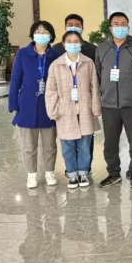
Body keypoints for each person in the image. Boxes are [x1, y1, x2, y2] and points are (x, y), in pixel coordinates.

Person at [95, 11, 132, 188]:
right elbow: (98, 74)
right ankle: (113, 172)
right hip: (109, 104)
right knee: (110, 141)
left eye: (123, 24)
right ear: (110, 28)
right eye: (116, 24)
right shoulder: (102, 48)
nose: (120, 27)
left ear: (128, 26)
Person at [45, 30, 101, 189]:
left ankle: (83, 172)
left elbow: (94, 86)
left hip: (85, 109)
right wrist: (54, 110)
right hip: (65, 111)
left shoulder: (88, 63)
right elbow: (51, 90)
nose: (73, 44)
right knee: (67, 145)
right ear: (63, 44)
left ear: (81, 44)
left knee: (84, 145)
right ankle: (72, 174)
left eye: (76, 41)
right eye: (69, 41)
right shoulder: (56, 65)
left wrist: (95, 108)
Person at [8, 21, 59, 189]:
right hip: (27, 105)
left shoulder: (56, 55)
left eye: (45, 32)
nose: (41, 35)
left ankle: (49, 172)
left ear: (51, 36)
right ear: (32, 35)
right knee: (29, 145)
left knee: (50, 144)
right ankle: (31, 175)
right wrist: (13, 103)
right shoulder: (23, 54)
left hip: (49, 106)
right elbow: (15, 80)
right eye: (38, 32)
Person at [52, 14, 98, 173]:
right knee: (68, 138)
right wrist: (54, 107)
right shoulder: (56, 50)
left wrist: (95, 106)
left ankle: (86, 168)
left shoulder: (92, 51)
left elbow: (95, 81)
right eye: (70, 24)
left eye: (77, 25)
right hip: (65, 103)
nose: (73, 27)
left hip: (84, 102)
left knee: (86, 137)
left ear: (82, 27)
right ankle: (71, 170)